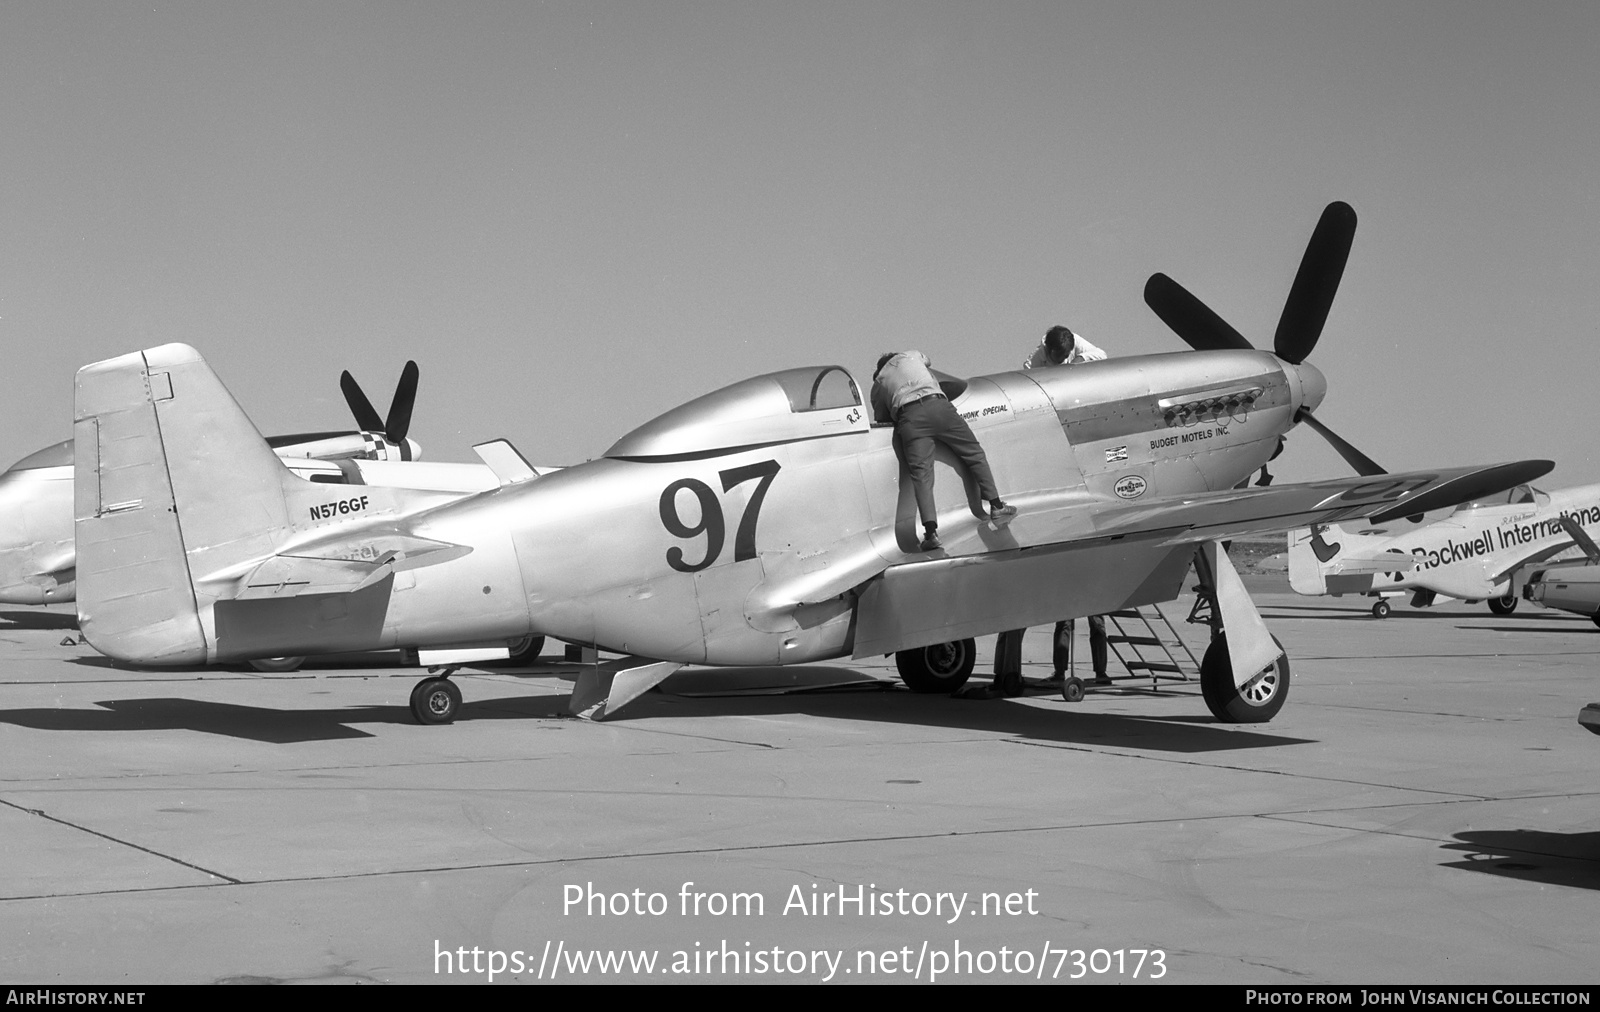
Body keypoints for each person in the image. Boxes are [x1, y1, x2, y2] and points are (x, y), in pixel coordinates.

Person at [871, 351, 1016, 552]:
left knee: (921, 476)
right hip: (937, 405)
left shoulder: (879, 382)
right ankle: (996, 506)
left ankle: (931, 534)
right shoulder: (912, 354)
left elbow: (881, 417)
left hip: (910, 418)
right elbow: (929, 362)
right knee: (974, 454)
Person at [1023, 325, 1105, 370]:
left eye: (1065, 356)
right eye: (1058, 355)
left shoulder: (1075, 341)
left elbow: (1101, 355)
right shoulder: (1033, 362)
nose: (1061, 359)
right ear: (1049, 350)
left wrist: (1080, 359)